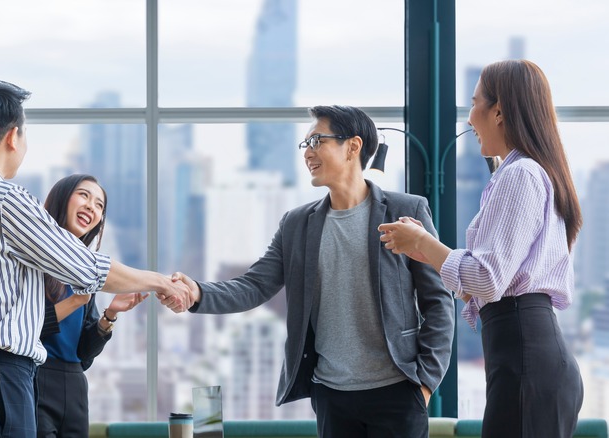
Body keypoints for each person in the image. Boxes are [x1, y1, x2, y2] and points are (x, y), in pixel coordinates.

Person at [0, 79, 190, 438]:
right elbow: (87, 268)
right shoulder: (6, 200)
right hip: (1, 382)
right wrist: (162, 281)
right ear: (13, 136)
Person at [168, 105, 455, 438]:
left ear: (353, 146)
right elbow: (255, 285)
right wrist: (197, 293)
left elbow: (439, 300)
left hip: (397, 392)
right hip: (332, 396)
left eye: (317, 140)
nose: (308, 152)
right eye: (305, 144)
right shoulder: (297, 223)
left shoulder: (406, 210)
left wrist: (424, 383)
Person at [379, 60, 584, 437]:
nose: (470, 118)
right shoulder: (524, 171)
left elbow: (487, 279)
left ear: (499, 111)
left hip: (525, 359)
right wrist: (426, 251)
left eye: (475, 104)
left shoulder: (520, 174)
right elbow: (487, 279)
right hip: (526, 357)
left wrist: (426, 244)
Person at [37, 174, 146, 437]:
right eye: (84, 195)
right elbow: (27, 326)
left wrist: (109, 315)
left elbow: (84, 355)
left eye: (99, 205)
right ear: (62, 199)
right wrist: (75, 301)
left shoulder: (86, 272)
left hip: (74, 384)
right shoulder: (34, 261)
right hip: (35, 379)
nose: (92, 207)